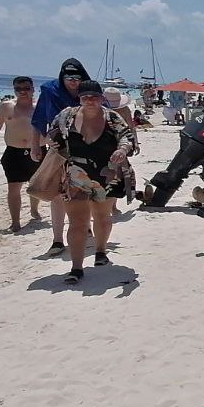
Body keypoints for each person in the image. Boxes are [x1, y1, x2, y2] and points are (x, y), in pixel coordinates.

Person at [41, 80, 134, 284]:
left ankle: (100, 251)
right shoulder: (67, 115)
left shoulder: (112, 117)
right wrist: (51, 141)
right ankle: (76, 267)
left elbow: (127, 137)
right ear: (79, 98)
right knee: (77, 222)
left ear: (101, 98)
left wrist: (122, 150)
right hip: (74, 175)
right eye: (85, 97)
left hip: (106, 174)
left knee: (102, 217)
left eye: (94, 97)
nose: (90, 100)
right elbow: (51, 134)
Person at [29, 58, 91, 256]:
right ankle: (57, 239)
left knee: (85, 192)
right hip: (57, 148)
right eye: (69, 77)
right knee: (56, 195)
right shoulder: (50, 91)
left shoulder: (89, 91)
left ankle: (85, 227)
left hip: (85, 149)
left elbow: (104, 116)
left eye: (77, 77)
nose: (73, 81)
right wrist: (36, 145)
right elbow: (38, 119)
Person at [0, 76, 44, 232]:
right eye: (18, 89)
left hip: (38, 150)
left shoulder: (40, 107)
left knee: (35, 185)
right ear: (14, 90)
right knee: (13, 188)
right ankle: (15, 221)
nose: (23, 92)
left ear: (33, 89)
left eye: (26, 88)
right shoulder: (6, 107)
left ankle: (34, 209)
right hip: (14, 152)